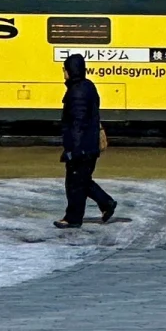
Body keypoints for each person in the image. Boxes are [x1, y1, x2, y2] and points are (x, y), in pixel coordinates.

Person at [54, 53, 117, 229]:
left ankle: (73, 219)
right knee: (81, 181)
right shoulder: (87, 86)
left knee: (75, 183)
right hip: (89, 145)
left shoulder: (77, 92)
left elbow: (77, 124)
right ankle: (106, 203)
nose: (63, 73)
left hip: (82, 147)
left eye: (64, 69)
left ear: (69, 70)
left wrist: (74, 150)